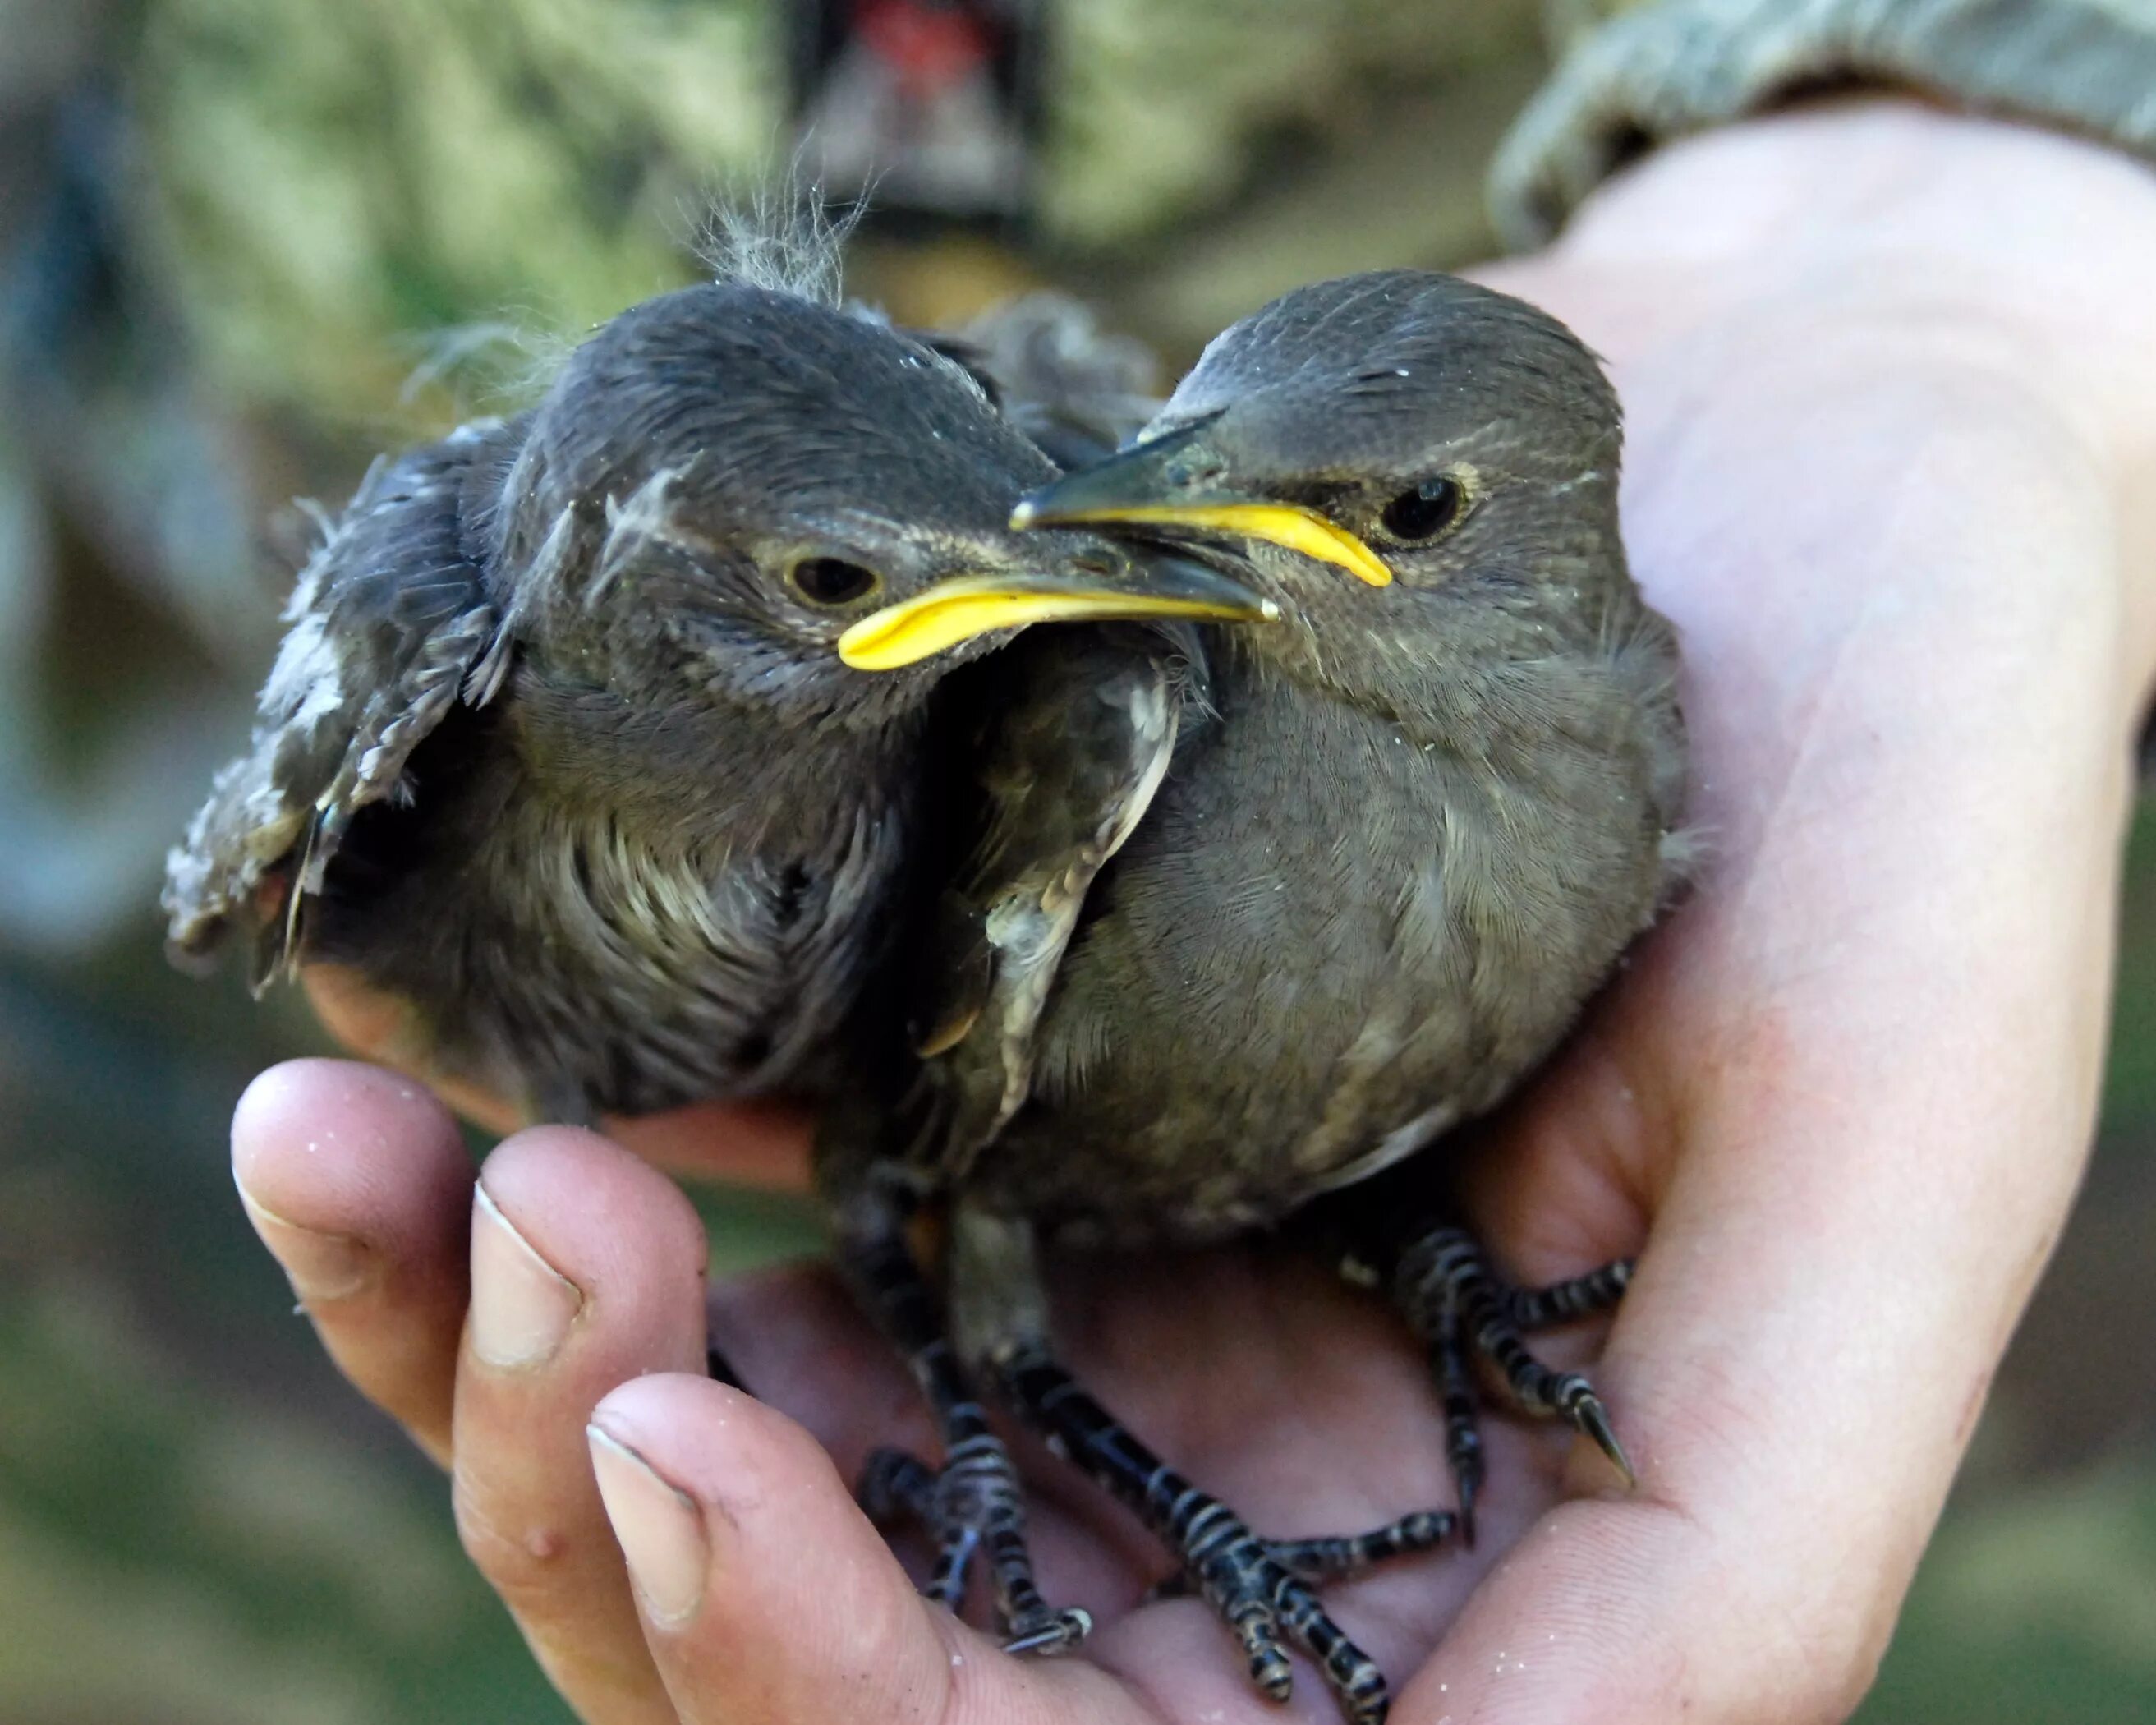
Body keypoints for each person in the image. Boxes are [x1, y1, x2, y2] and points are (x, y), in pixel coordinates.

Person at [223, 11, 2156, 1722]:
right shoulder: (1109, 705)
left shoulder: (1621, 745)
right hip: (290, 537)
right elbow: (916, 1126)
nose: (1176, 523)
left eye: (1387, 514)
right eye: (1184, 452)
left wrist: (1969, 255)